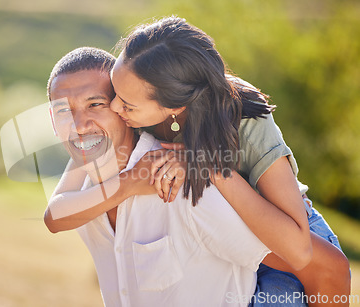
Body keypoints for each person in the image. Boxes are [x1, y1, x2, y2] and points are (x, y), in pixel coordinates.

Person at [45, 17, 350, 306]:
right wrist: (126, 183)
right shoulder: (133, 114)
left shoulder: (242, 119)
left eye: (118, 103)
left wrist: (208, 166)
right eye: (113, 95)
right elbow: (55, 214)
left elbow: (303, 254)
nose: (113, 106)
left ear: (172, 106)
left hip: (290, 228)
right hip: (238, 238)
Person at [45, 46, 273, 306]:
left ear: (123, 108)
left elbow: (300, 263)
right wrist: (128, 183)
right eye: (64, 111)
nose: (79, 126)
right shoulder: (83, 192)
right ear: (52, 121)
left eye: (95, 104)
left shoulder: (185, 182)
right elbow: (54, 217)